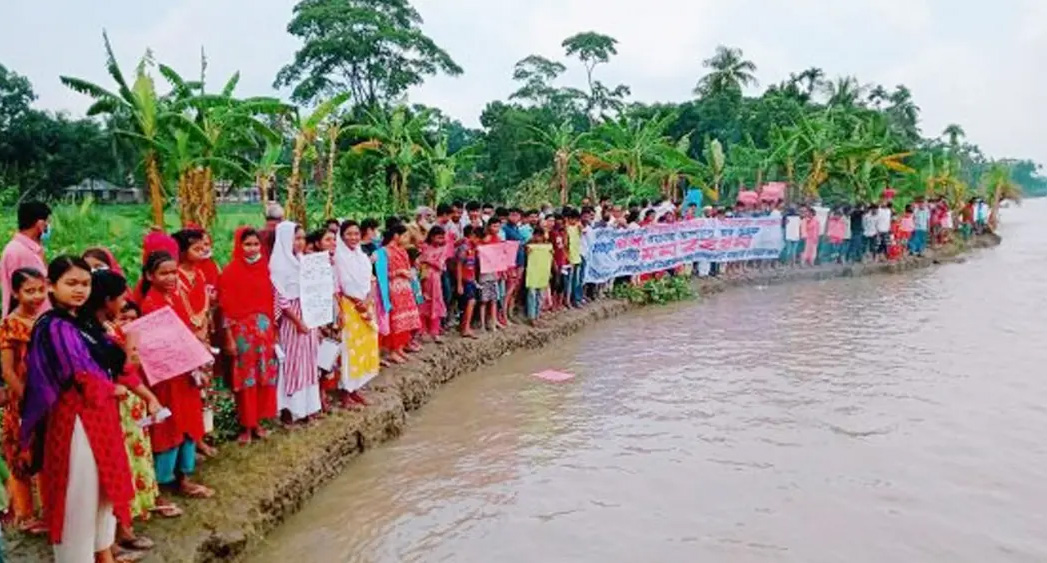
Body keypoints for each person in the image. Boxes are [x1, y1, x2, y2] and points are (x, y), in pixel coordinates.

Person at [21, 256, 138, 563]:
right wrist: (113, 388)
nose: (79, 290)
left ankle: (103, 556)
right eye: (71, 283)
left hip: (99, 416)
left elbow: (113, 362)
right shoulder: (54, 326)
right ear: (51, 286)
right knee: (79, 495)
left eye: (85, 283)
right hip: (74, 420)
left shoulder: (81, 322)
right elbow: (78, 374)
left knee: (101, 492)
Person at [80, 270, 170, 559]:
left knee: (121, 473)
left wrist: (148, 397)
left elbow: (125, 372)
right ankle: (107, 547)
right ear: (106, 300)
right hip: (96, 416)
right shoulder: (86, 332)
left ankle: (115, 540)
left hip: (118, 410)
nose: (124, 304)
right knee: (104, 479)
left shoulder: (102, 330)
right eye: (121, 299)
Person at [138, 250, 214, 501]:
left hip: (185, 372)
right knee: (170, 423)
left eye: (173, 272)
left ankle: (183, 476)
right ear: (150, 276)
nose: (171, 277)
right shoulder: (150, 304)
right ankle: (164, 480)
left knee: (188, 419)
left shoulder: (173, 297)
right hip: (167, 376)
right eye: (164, 273)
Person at [219, 228, 279, 444]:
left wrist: (275, 334)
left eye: (255, 244)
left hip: (265, 334)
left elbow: (273, 304)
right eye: (247, 244)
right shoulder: (230, 272)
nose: (252, 248)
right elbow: (225, 309)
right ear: (239, 246)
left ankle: (258, 422)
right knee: (245, 380)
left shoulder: (267, 270)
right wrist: (229, 339)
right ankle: (246, 425)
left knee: (264, 377)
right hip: (242, 335)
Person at [1, 267, 48, 534]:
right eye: (29, 291)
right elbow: (8, 370)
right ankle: (25, 514)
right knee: (21, 456)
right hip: (23, 400)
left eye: (41, 290)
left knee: (44, 452)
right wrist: (27, 400)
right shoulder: (10, 324)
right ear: (16, 293)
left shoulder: (44, 319)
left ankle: (46, 510)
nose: (37, 296)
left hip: (46, 399)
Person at [270, 222, 322, 424]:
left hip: (309, 314)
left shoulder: (303, 261)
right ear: (285, 239)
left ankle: (308, 408)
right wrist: (298, 321)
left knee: (309, 361)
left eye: (302, 238)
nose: (301, 243)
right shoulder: (278, 265)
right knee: (292, 362)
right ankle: (289, 411)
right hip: (292, 319)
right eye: (296, 238)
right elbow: (281, 299)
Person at [333, 221, 380, 404]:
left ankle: (356, 388)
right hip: (348, 308)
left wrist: (367, 300)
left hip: (366, 307)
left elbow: (370, 280)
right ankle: (345, 392)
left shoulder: (362, 256)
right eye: (349, 234)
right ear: (342, 236)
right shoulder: (338, 258)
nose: (353, 238)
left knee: (365, 346)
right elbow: (338, 286)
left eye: (356, 234)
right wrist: (355, 302)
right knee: (348, 348)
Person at [2, 201, 51, 316]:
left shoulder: (31, 249)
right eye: (48, 223)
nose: (48, 227)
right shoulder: (19, 251)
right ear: (40, 224)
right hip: (27, 323)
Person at [382, 223, 422, 362]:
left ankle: (400, 347)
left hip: (406, 286)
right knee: (397, 319)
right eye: (404, 235)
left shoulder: (403, 250)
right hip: (395, 287)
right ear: (396, 236)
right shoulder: (385, 251)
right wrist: (400, 272)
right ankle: (393, 350)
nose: (406, 238)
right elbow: (383, 274)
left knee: (406, 320)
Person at [417, 227, 448, 342]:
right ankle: (422, 330)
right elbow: (418, 261)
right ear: (432, 237)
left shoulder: (443, 249)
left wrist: (428, 260)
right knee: (423, 303)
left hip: (435, 280)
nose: (441, 240)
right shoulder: (424, 247)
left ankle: (434, 331)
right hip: (423, 279)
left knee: (436, 303)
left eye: (442, 237)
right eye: (439, 237)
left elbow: (440, 265)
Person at [524, 228, 552, 326]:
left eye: (540, 235)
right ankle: (532, 317)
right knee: (532, 295)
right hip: (532, 274)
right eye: (537, 235)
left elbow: (550, 258)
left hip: (542, 274)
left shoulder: (547, 246)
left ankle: (537, 315)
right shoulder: (528, 245)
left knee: (540, 296)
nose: (538, 238)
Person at [456, 226, 480, 339]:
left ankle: (465, 326)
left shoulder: (473, 248)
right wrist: (459, 284)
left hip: (471, 279)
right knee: (471, 301)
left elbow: (472, 265)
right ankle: (465, 328)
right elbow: (459, 265)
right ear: (473, 236)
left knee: (470, 302)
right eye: (478, 239)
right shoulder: (464, 248)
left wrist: (474, 279)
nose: (479, 242)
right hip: (465, 280)